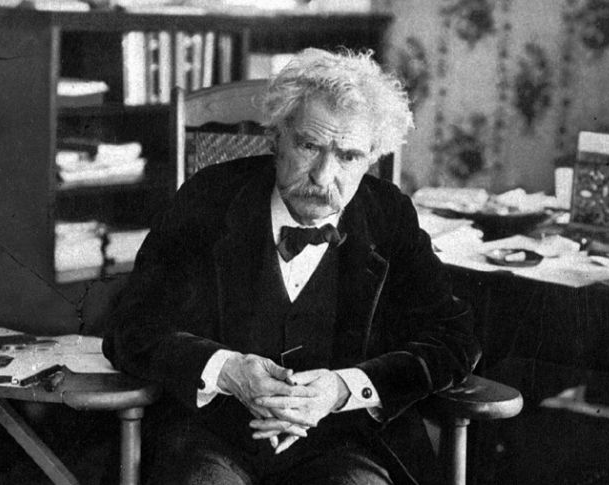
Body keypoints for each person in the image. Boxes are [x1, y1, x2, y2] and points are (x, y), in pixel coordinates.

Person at [103, 47, 481, 485]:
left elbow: (455, 338)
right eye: (309, 145)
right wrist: (228, 370)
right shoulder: (207, 199)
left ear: (372, 158)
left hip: (347, 441)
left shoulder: (389, 215)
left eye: (348, 156)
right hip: (212, 436)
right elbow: (130, 326)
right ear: (276, 137)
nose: (323, 176)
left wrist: (344, 388)